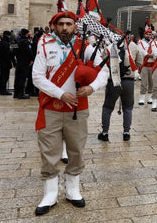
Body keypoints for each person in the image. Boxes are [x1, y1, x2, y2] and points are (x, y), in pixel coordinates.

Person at [32, 11, 109, 215]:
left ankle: (73, 190)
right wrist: (60, 94)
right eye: (61, 24)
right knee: (49, 151)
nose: (65, 27)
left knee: (76, 149)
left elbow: (104, 71)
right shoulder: (45, 45)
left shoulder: (85, 46)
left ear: (75, 26)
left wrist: (92, 88)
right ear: (54, 26)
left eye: (69, 24)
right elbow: (37, 77)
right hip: (51, 107)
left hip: (78, 108)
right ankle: (50, 193)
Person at [98, 34, 142, 142]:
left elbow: (103, 62)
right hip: (128, 81)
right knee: (128, 108)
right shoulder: (134, 46)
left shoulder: (109, 47)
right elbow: (139, 62)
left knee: (107, 108)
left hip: (113, 81)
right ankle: (126, 132)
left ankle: (105, 132)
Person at [137, 29, 155, 106]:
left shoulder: (154, 43)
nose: (148, 36)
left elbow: (156, 51)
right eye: (147, 34)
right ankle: (142, 97)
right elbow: (143, 53)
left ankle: (150, 97)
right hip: (144, 64)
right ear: (144, 35)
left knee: (151, 82)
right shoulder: (141, 42)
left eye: (150, 34)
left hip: (153, 65)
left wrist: (155, 55)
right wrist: (154, 56)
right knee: (144, 82)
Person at [13, 28, 32, 99]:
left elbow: (12, 51)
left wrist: (14, 62)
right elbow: (29, 52)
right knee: (22, 78)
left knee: (17, 78)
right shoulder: (26, 42)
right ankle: (21, 94)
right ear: (27, 34)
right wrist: (31, 60)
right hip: (25, 62)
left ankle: (16, 93)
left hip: (18, 62)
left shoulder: (17, 42)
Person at [0, 31, 14, 95]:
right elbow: (8, 53)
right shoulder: (6, 43)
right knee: (4, 77)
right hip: (6, 62)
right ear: (8, 36)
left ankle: (1, 89)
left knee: (2, 76)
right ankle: (3, 90)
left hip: (1, 62)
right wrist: (12, 54)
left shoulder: (0, 42)